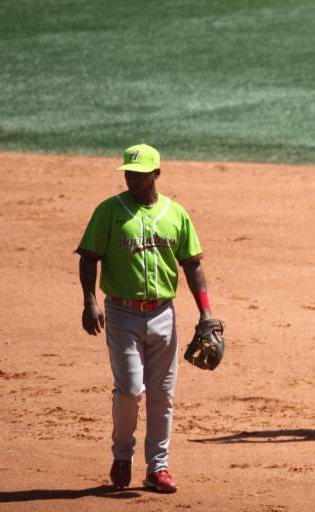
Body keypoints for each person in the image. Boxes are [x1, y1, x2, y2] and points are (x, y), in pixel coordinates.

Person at [76, 143, 215, 492]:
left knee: (162, 394)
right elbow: (89, 256)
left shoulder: (175, 213)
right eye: (128, 173)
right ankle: (122, 455)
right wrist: (89, 300)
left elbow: (193, 263)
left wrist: (206, 312)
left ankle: (158, 468)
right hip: (121, 313)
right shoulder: (109, 211)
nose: (132, 179)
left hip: (163, 314)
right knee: (130, 388)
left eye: (140, 174)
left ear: (157, 173)